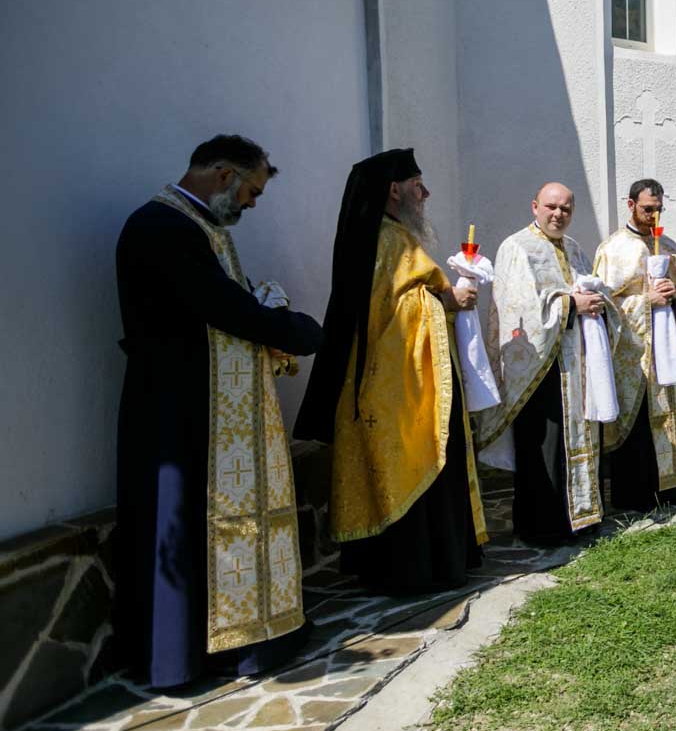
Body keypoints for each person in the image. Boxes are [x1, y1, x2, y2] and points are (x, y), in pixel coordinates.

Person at [113, 135, 323, 689]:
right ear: (224, 174)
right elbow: (223, 307)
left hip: (198, 398)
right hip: (174, 402)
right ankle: (176, 658)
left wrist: (267, 309)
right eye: (252, 190)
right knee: (178, 523)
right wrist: (297, 331)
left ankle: (229, 643)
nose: (252, 204)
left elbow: (233, 299)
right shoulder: (163, 227)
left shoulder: (198, 226)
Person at [294, 149, 486, 595]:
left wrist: (441, 298)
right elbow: (398, 310)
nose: (427, 192)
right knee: (418, 462)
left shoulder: (386, 237)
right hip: (396, 388)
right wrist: (448, 299)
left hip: (402, 380)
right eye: (418, 183)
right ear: (394, 189)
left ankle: (427, 561)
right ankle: (419, 566)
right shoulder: (387, 240)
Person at [472, 182, 610, 544]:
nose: (558, 214)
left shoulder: (575, 249)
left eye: (566, 208)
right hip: (537, 368)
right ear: (535, 206)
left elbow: (587, 291)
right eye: (551, 206)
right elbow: (518, 307)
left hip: (575, 365)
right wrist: (570, 306)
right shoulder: (517, 247)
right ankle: (545, 527)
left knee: (578, 442)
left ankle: (581, 518)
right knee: (544, 445)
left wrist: (596, 300)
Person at [594, 178, 676, 515]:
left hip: (669, 349)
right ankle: (637, 494)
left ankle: (673, 488)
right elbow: (604, 305)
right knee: (640, 425)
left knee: (672, 415)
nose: (655, 217)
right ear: (630, 205)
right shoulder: (612, 249)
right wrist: (645, 300)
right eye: (648, 209)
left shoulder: (670, 246)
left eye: (659, 209)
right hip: (635, 354)